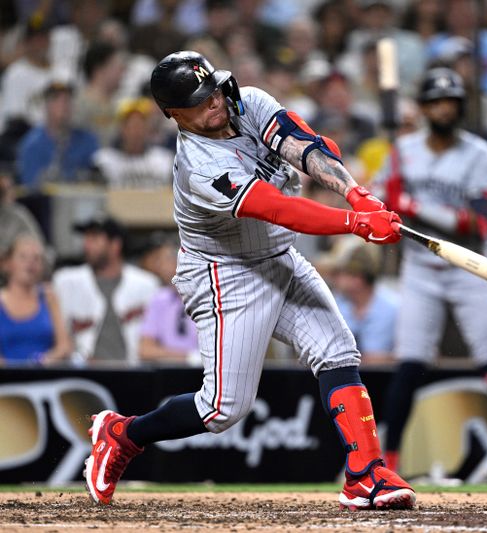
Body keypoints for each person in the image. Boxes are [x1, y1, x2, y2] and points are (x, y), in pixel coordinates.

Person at [82, 51, 415, 510]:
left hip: (277, 254)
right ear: (173, 114)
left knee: (338, 350)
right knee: (222, 408)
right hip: (224, 271)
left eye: (213, 89)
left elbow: (306, 145)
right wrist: (356, 223)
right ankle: (122, 434)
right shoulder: (199, 165)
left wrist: (357, 194)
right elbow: (277, 208)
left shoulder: (248, 102)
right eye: (199, 100)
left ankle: (366, 474)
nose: (214, 102)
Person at [375, 67, 487, 485]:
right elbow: (380, 208)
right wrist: (385, 202)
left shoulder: (481, 155)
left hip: (469, 267)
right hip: (420, 269)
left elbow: (480, 223)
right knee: (409, 367)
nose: (443, 109)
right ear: (423, 108)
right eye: (436, 102)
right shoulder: (402, 151)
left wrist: (414, 206)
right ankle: (388, 462)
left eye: (451, 102)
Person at [52, 216, 160, 365]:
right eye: (86, 238)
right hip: (85, 373)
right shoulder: (66, 281)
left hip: (135, 372)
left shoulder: (146, 284)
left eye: (94, 238)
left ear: (115, 245)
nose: (86, 244)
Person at [0, 235, 72, 365]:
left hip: (44, 377)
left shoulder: (49, 298)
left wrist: (43, 362)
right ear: (7, 263)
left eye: (36, 258)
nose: (30, 263)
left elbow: (64, 346)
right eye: (23, 257)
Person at [325, 237, 398, 364]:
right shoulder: (334, 305)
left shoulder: (395, 308)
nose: (333, 277)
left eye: (338, 272)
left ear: (357, 277)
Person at [16, 81, 99, 188]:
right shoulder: (33, 145)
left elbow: (98, 177)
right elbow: (31, 187)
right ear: (46, 106)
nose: (64, 106)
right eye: (57, 100)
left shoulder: (87, 140)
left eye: (68, 100)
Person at [138, 237, 200, 365]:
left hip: (206, 371)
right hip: (168, 371)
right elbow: (145, 350)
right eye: (159, 261)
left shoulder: (208, 296)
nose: (160, 266)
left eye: (165, 260)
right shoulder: (159, 299)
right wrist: (188, 357)